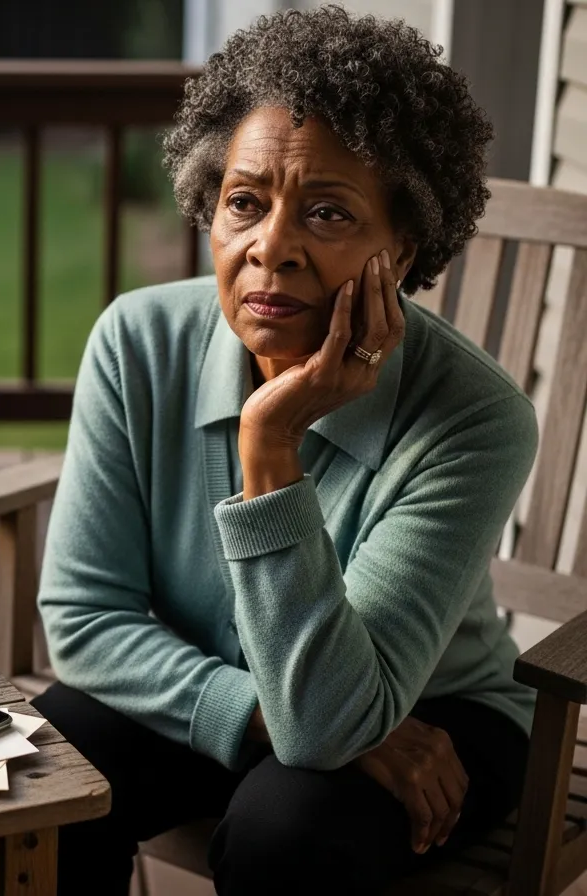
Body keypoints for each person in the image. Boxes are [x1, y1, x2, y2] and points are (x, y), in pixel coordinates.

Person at [29, 7, 537, 894]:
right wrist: (253, 710)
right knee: (50, 771)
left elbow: (329, 725)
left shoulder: (473, 418)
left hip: (433, 717)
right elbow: (82, 617)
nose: (273, 248)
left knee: (289, 833)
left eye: (328, 213)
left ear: (401, 246)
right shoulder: (135, 341)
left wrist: (269, 444)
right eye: (245, 204)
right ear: (209, 210)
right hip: (227, 683)